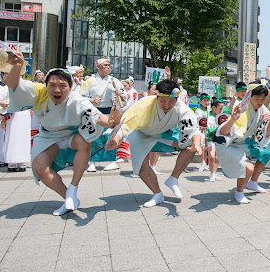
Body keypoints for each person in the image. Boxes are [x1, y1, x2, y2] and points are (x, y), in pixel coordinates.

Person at [4, 50, 120, 216]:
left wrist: (110, 122)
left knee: (83, 142)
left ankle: (73, 188)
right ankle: (68, 197)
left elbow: (97, 116)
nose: (57, 90)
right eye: (52, 85)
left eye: (62, 86)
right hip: (48, 136)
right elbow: (14, 85)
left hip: (70, 136)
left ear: (70, 87)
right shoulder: (38, 92)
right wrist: (17, 66)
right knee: (40, 168)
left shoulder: (76, 99)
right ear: (46, 85)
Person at [105, 79, 203, 207]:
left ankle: (173, 178)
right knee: (141, 166)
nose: (166, 105)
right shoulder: (145, 104)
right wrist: (116, 140)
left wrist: (196, 144)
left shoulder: (182, 109)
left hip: (164, 133)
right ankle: (157, 194)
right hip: (142, 133)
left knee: (190, 145)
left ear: (177, 99)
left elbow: (192, 129)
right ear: (157, 97)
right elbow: (127, 123)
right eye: (162, 100)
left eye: (171, 101)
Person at [215, 82, 270, 203]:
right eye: (257, 98)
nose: (260, 101)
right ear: (249, 97)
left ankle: (253, 183)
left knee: (266, 154)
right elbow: (223, 132)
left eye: (263, 99)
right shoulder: (240, 109)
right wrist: (232, 120)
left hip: (244, 141)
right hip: (229, 142)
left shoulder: (262, 108)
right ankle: (239, 192)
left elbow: (267, 134)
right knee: (249, 167)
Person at [79, 58, 126, 172]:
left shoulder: (114, 80)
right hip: (95, 111)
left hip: (110, 111)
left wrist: (121, 94)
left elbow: (124, 96)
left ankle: (112, 161)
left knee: (110, 136)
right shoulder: (90, 81)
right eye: (105, 65)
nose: (108, 67)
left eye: (109, 65)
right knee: (94, 136)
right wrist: (92, 100)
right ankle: (92, 162)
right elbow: (80, 97)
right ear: (98, 67)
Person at [0, 53, 31, 172]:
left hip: (24, 114)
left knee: (23, 137)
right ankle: (12, 162)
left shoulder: (27, 85)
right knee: (12, 137)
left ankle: (21, 162)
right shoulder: (6, 87)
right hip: (13, 113)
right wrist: (2, 104)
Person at [205, 99, 226, 182]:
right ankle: (212, 173)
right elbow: (211, 130)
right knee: (211, 156)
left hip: (219, 139)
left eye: (222, 109)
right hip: (211, 139)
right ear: (213, 108)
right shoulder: (209, 117)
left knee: (217, 158)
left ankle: (213, 173)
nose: (221, 110)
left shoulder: (221, 116)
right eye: (220, 108)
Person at [194, 94, 212, 172]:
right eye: (204, 100)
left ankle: (205, 164)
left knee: (206, 147)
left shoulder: (209, 109)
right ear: (200, 101)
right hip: (201, 131)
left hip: (208, 130)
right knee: (201, 146)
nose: (206, 102)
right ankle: (202, 162)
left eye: (207, 100)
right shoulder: (198, 110)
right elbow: (197, 120)